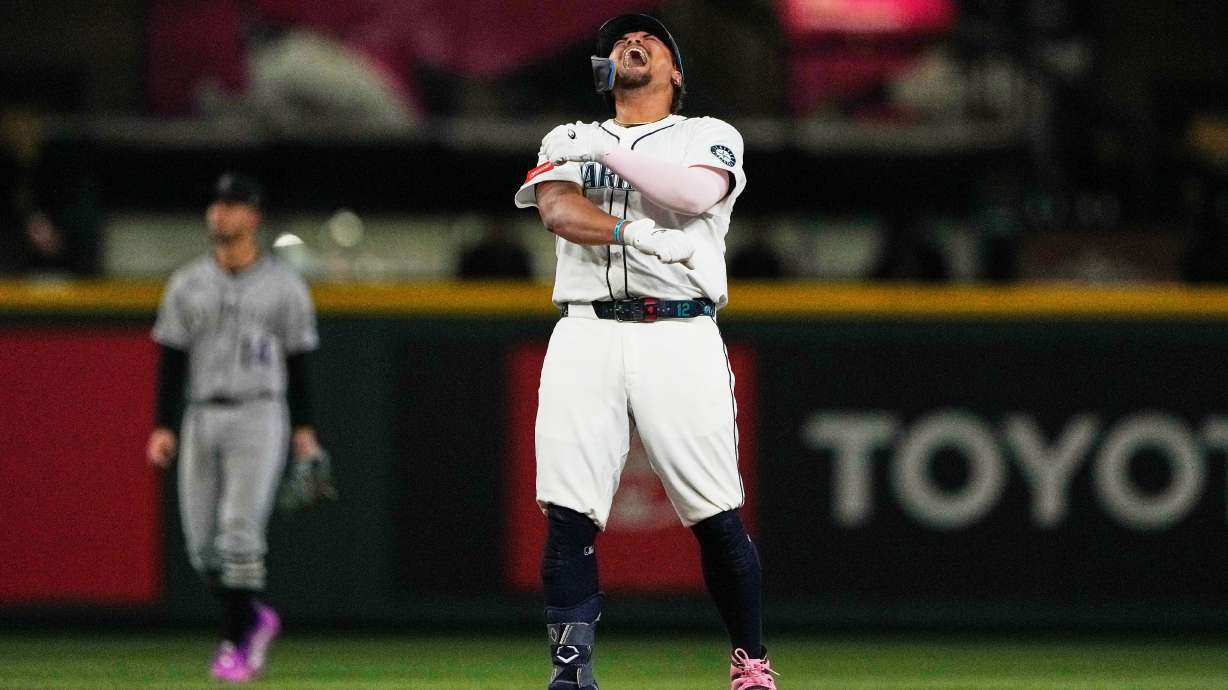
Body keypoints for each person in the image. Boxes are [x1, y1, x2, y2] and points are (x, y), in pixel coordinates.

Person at [513, 14, 777, 690]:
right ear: (605, 70)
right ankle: (571, 673)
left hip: (679, 330)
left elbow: (693, 192)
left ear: (677, 72)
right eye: (621, 41)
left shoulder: (708, 134)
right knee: (568, 509)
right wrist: (641, 235)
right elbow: (558, 213)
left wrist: (601, 152)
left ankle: (750, 663)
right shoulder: (565, 137)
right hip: (586, 327)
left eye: (652, 40)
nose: (634, 43)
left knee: (713, 510)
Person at [146, 172, 322, 683]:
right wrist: (164, 424)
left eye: (232, 204)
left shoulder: (284, 285)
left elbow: (299, 361)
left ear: (253, 217)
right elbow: (172, 356)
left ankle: (236, 644)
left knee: (239, 535)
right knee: (203, 549)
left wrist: (305, 429)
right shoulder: (187, 282)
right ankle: (254, 616)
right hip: (201, 413)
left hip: (259, 412)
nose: (220, 212)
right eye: (217, 203)